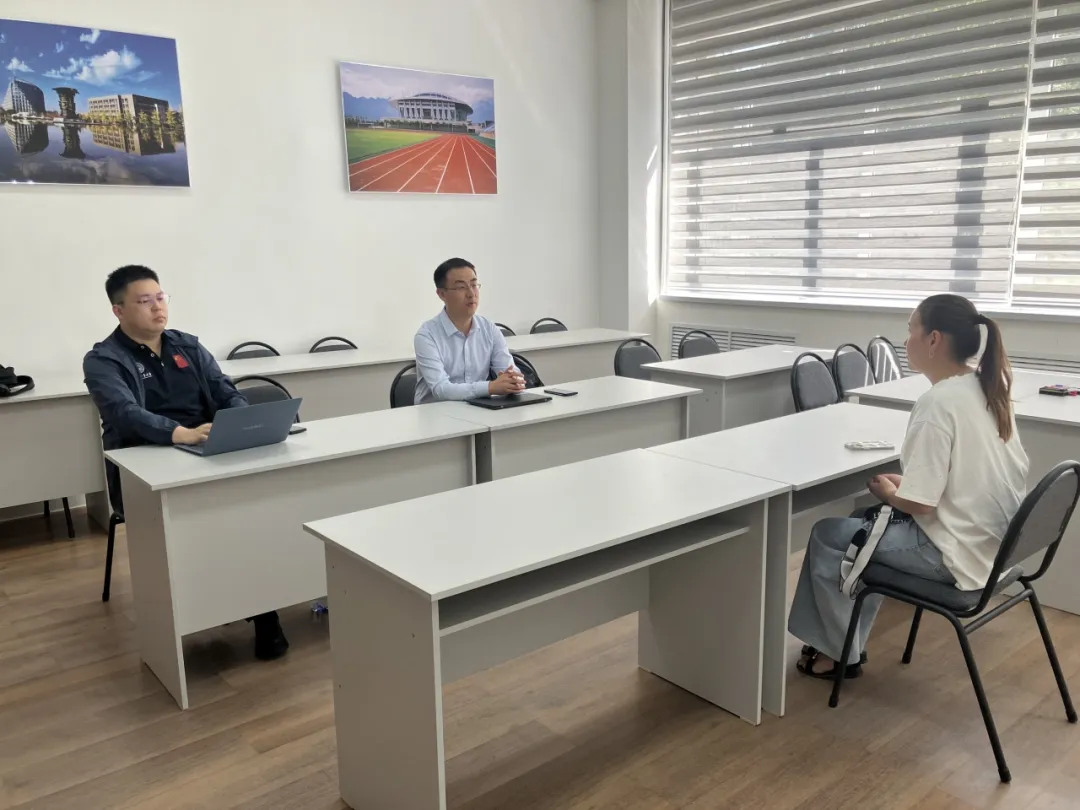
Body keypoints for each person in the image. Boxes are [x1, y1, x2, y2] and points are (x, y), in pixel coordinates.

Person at [789, 294, 1029, 680]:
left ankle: (839, 655)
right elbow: (969, 475)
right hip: (991, 546)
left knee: (827, 535)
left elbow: (920, 506)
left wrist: (890, 494)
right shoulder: (987, 388)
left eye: (910, 330)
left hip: (951, 554)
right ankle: (845, 639)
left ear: (933, 339)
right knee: (860, 520)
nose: (905, 341)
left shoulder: (937, 404)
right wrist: (910, 487)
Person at [83, 265, 289, 661]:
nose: (157, 307)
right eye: (144, 301)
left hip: (207, 450)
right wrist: (182, 434)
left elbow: (226, 392)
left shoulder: (187, 346)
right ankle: (258, 612)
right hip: (145, 466)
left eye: (161, 298)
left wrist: (241, 423)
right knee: (230, 514)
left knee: (258, 505)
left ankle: (260, 602)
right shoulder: (103, 360)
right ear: (118, 310)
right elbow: (124, 414)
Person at [413, 258, 525, 404]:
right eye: (461, 287)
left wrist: (513, 380)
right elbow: (441, 389)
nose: (471, 293)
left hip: (479, 408)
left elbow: (509, 371)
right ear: (442, 294)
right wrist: (489, 387)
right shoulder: (426, 335)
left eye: (474, 285)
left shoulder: (489, 329)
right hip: (436, 412)